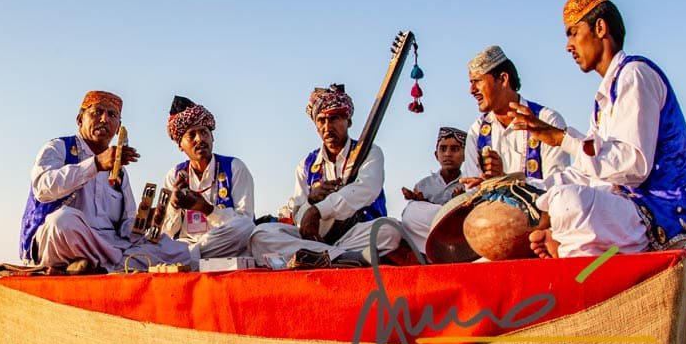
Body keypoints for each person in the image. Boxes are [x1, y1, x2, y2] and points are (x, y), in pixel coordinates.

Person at [510, 0, 686, 257]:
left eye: (573, 32)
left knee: (567, 203)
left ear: (600, 28)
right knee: (553, 198)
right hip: (626, 213)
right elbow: (591, 171)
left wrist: (561, 140)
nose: (568, 45)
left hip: (657, 214)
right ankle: (570, 249)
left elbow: (634, 165)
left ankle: (566, 246)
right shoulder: (605, 97)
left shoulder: (635, 75)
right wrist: (526, 187)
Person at [20, 91, 192, 271]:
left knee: (178, 251)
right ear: (80, 120)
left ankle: (95, 267)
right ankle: (110, 266)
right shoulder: (59, 148)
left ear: (118, 128)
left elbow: (126, 226)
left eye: (112, 115)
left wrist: (149, 217)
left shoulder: (119, 172)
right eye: (97, 112)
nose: (104, 119)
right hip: (66, 241)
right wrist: (96, 164)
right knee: (61, 222)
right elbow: (42, 188)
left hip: (109, 245)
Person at [248, 85, 401, 267]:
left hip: (355, 234)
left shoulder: (369, 152)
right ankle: (344, 258)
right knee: (260, 235)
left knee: (389, 230)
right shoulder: (306, 164)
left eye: (334, 118)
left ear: (348, 121)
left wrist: (319, 209)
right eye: (321, 120)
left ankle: (321, 256)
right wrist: (311, 201)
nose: (327, 127)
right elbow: (298, 215)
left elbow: (366, 189)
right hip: (315, 238)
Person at [158, 96, 255, 264]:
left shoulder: (234, 167)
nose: (200, 139)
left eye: (204, 132)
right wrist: (173, 206)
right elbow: (166, 231)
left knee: (247, 227)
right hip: (187, 243)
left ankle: (189, 258)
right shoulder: (174, 175)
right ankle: (192, 257)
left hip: (224, 243)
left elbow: (245, 222)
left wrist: (208, 210)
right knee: (152, 240)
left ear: (212, 137)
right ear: (180, 145)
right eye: (191, 135)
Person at [461, 45, 569, 188]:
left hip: (539, 209)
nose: (472, 90)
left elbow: (558, 187)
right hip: (490, 209)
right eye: (471, 82)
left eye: (478, 81)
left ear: (503, 79)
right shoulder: (476, 131)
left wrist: (505, 180)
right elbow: (472, 189)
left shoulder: (547, 121)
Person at [399, 127, 468, 255]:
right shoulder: (423, 185)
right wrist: (421, 202)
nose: (447, 154)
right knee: (412, 209)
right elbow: (413, 219)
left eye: (454, 149)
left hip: (455, 237)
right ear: (436, 155)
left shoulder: (469, 184)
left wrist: (459, 205)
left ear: (465, 155)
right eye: (443, 149)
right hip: (427, 237)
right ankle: (431, 253)